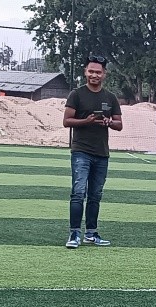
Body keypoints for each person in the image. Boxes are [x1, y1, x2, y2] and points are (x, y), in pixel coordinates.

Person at [63, 55, 123, 249]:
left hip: (102, 153)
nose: (94, 75)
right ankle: (74, 234)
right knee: (78, 192)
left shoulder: (110, 97)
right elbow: (67, 121)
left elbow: (119, 125)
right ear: (85, 72)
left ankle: (91, 233)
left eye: (98, 72)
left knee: (95, 195)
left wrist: (109, 122)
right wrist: (86, 121)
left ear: (104, 74)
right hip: (81, 151)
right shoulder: (76, 94)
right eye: (91, 71)